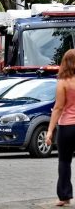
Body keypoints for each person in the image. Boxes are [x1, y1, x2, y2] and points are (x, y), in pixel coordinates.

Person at [46, 49, 75, 207]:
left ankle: (64, 196)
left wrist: (50, 131)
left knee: (64, 161)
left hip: (67, 127)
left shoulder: (63, 82)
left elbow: (58, 108)